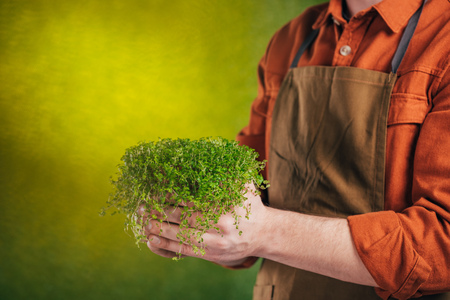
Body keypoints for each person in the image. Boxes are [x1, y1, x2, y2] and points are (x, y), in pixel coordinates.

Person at [141, 0, 450, 298]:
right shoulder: (291, 38)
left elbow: (443, 243)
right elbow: (249, 207)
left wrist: (264, 233)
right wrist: (197, 232)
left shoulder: (443, 37)